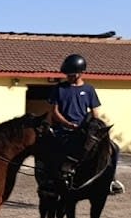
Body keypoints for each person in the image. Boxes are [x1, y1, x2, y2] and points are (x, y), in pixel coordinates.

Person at [46, 54, 125, 195]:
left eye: (71, 75)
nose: (68, 77)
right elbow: (54, 111)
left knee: (114, 148)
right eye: (67, 74)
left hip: (84, 130)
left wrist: (95, 128)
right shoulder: (59, 89)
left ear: (80, 73)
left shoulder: (89, 90)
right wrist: (68, 124)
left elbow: (95, 113)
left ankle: (110, 180)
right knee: (52, 149)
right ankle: (50, 181)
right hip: (64, 129)